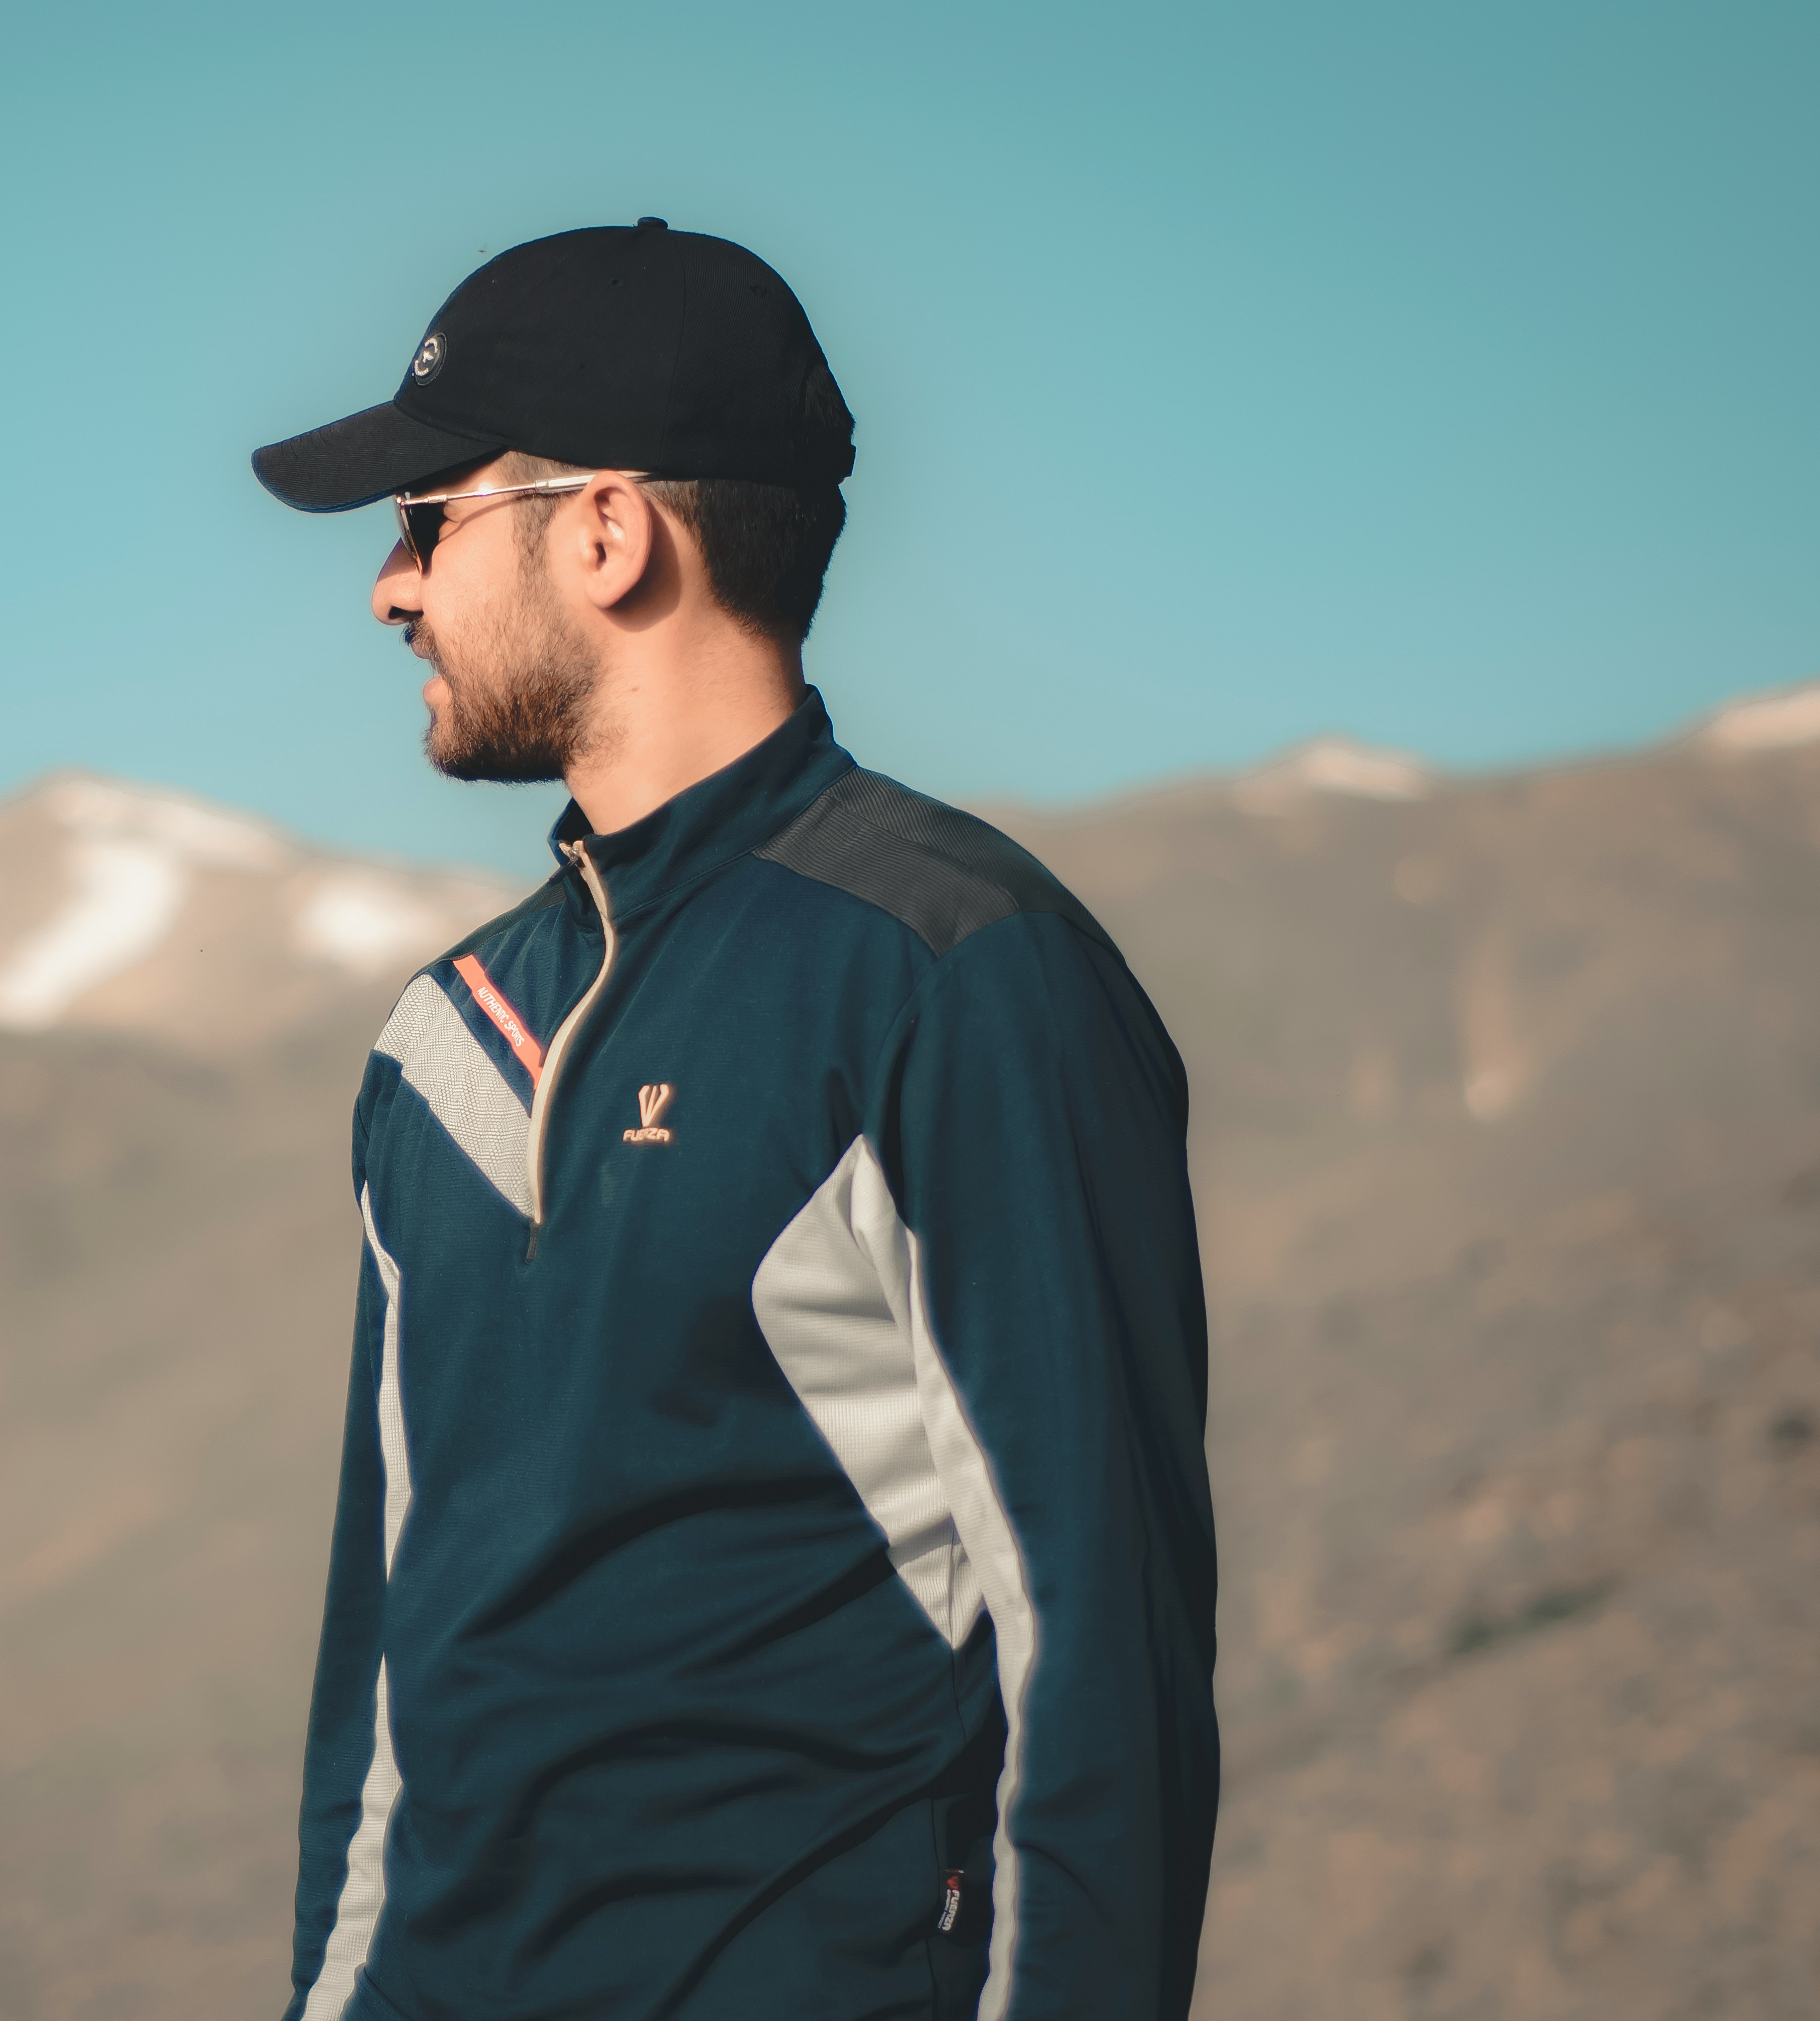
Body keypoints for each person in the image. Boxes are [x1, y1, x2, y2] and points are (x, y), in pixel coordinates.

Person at [248, 220, 1217, 2021]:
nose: (388, 590)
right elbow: (379, 1676)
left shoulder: (953, 975)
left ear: (607, 532)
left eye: (425, 522)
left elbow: (1104, 1655)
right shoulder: (433, 1046)